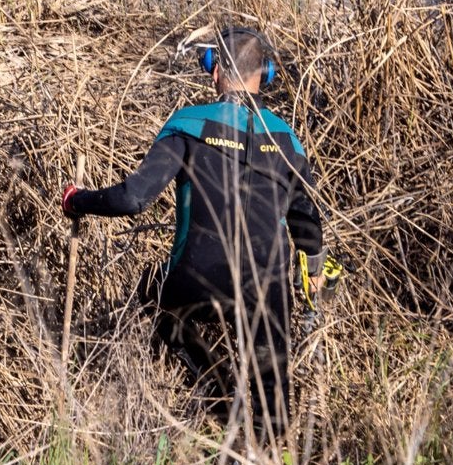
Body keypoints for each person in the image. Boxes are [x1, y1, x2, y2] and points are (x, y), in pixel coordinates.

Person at [61, 26, 327, 443]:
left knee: (153, 290)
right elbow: (308, 224)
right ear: (267, 74)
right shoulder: (288, 140)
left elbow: (133, 199)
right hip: (267, 287)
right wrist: (312, 273)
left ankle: (220, 396)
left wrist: (77, 200)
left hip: (195, 281)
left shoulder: (187, 124)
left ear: (214, 69)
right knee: (275, 411)